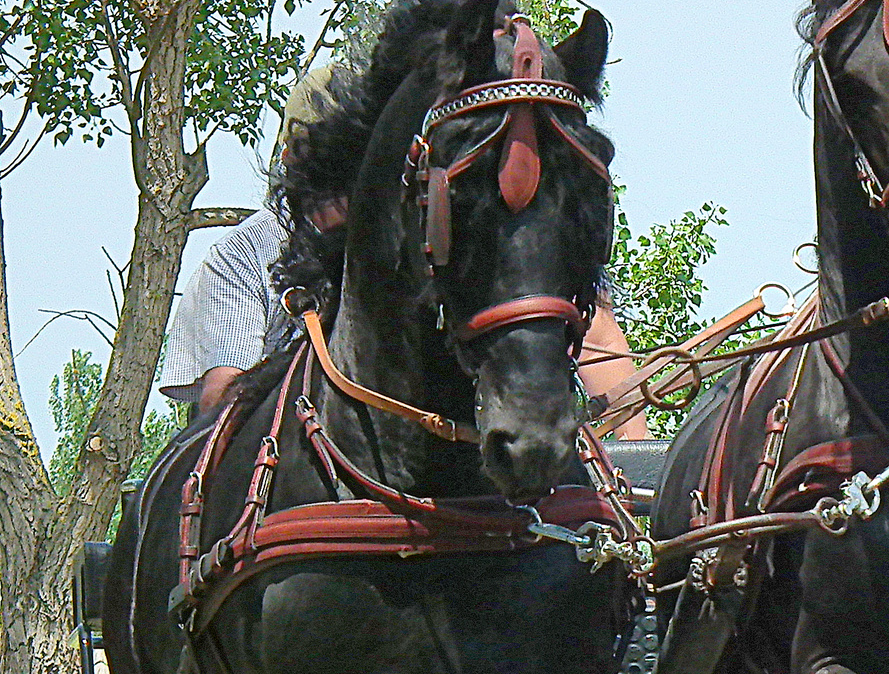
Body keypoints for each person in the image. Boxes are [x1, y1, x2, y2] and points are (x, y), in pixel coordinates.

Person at [160, 70, 648, 437]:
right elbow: (223, 406)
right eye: (334, 170)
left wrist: (629, 459)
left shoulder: (433, 242)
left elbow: (596, 339)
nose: (353, 191)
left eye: (365, 168)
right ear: (293, 167)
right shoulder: (242, 256)